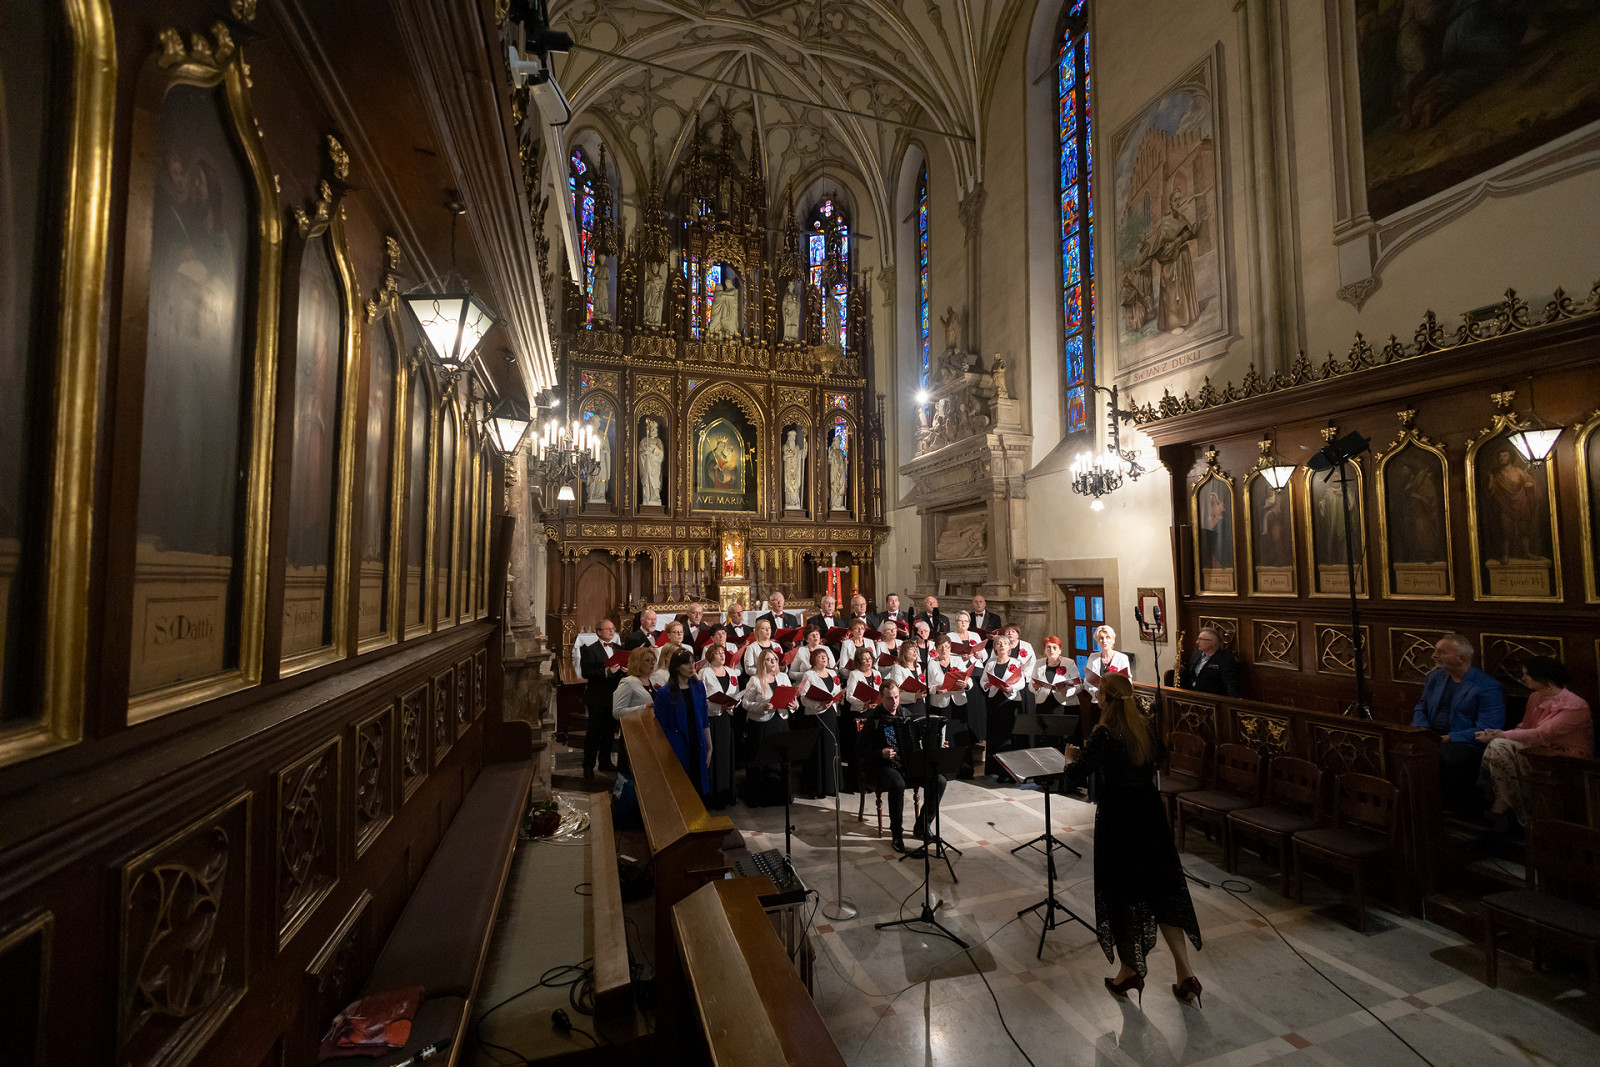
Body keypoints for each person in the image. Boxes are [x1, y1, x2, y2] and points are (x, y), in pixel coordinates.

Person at [1062, 673, 1203, 1005]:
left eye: (1099, 695)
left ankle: (1130, 972)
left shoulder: (1104, 735)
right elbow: (1161, 756)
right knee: (1162, 889)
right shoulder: (1144, 729)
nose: (1097, 699)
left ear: (1108, 700)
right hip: (1150, 814)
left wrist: (1070, 759)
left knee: (1123, 891)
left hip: (1119, 818)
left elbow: (1076, 775)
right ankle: (1186, 974)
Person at [1477, 657, 1593, 834]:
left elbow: (1542, 734)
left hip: (1567, 758)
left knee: (1499, 743)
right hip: (1539, 751)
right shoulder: (1535, 697)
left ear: (1545, 679)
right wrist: (1501, 735)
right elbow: (1526, 726)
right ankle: (1507, 806)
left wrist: (1502, 734)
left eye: (1527, 675)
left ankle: (1505, 807)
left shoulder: (1575, 706)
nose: (1524, 679)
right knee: (1498, 746)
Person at [1413, 634, 1504, 819]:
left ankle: (1459, 813)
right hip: (1432, 734)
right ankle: (1420, 809)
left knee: (1450, 756)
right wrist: (1421, 730)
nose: (1434, 656)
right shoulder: (1435, 677)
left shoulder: (1487, 686)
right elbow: (1421, 706)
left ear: (1460, 658)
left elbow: (1487, 729)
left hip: (1466, 742)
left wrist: (1446, 738)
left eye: (1441, 652)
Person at [862, 682, 948, 852]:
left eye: (896, 697)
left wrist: (937, 745)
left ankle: (922, 826)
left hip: (909, 765)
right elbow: (859, 749)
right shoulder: (875, 719)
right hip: (883, 766)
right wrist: (881, 752)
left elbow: (920, 743)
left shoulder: (907, 715)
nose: (894, 702)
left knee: (939, 781)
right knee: (897, 784)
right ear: (881, 698)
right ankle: (896, 833)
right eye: (889, 698)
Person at [653, 648, 712, 796]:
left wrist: (709, 746)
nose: (692, 667)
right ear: (677, 667)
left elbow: (704, 718)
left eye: (692, 662)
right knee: (681, 789)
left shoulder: (699, 687)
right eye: (687, 664)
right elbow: (661, 726)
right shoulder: (665, 693)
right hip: (677, 744)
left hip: (697, 741)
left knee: (698, 785)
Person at [740, 649, 795, 806]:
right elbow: (745, 704)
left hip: (781, 721)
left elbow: (792, 697)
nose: (773, 662)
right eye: (769, 659)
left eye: (775, 659)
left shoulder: (783, 677)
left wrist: (794, 705)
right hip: (762, 724)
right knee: (763, 759)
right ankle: (762, 797)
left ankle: (780, 795)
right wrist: (762, 706)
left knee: (780, 759)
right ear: (762, 662)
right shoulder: (755, 680)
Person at [579, 620, 626, 775]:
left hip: (614, 696)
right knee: (594, 732)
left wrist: (625, 670)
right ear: (599, 632)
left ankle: (605, 762)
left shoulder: (619, 649)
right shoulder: (590, 650)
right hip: (597, 697)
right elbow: (586, 672)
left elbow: (622, 670)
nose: (611, 632)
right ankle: (588, 765)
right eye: (608, 629)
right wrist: (606, 672)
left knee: (609, 732)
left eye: (613, 629)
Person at [699, 643, 742, 808]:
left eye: (723, 653)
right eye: (717, 653)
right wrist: (718, 706)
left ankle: (726, 793)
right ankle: (712, 796)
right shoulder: (704, 673)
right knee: (713, 755)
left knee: (725, 754)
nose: (722, 655)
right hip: (712, 719)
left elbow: (736, 693)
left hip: (726, 719)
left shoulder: (731, 672)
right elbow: (701, 698)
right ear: (710, 656)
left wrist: (733, 704)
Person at [798, 647, 843, 797]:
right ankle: (817, 787)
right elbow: (803, 698)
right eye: (820, 656)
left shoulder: (832, 673)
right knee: (818, 750)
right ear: (813, 660)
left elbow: (837, 690)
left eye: (825, 656)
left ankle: (831, 785)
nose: (823, 658)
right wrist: (820, 704)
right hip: (815, 717)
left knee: (831, 748)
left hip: (830, 715)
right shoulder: (809, 674)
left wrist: (834, 699)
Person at [981, 634, 1025, 777]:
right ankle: (997, 771)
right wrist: (986, 684)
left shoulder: (1016, 663)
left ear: (1009, 647)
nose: (1001, 646)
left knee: (1009, 735)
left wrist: (1012, 688)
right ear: (994, 648)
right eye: (998, 643)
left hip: (1010, 701)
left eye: (1004, 643)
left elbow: (1021, 682)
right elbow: (983, 681)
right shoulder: (991, 663)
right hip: (995, 701)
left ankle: (1011, 772)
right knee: (995, 736)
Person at [1083, 626, 1131, 719]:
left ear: (1113, 640)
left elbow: (1127, 682)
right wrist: (1097, 694)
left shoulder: (1122, 658)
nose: (1104, 641)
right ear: (1097, 641)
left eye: (1107, 637)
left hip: (1116, 704)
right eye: (1101, 638)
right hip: (1097, 703)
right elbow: (1087, 682)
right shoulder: (1093, 657)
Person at [1177, 626, 1239, 697]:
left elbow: (1231, 686)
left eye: (1201, 639)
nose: (1197, 642)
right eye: (1198, 639)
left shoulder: (1225, 660)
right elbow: (1191, 675)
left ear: (1212, 643)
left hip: (1211, 698)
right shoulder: (1196, 654)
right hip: (1193, 694)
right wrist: (1181, 669)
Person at [888, 640, 928, 718]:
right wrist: (914, 696)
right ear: (904, 652)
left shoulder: (918, 666)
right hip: (907, 707)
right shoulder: (898, 667)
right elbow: (897, 692)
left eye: (916, 649)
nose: (915, 651)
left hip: (920, 705)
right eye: (911, 649)